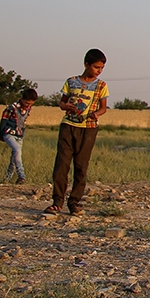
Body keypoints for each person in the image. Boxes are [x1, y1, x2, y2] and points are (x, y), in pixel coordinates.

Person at [46, 49, 108, 216]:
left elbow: (103, 108)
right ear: (86, 65)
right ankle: (57, 202)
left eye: (101, 68)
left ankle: (74, 202)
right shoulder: (71, 82)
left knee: (81, 166)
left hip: (88, 129)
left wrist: (96, 114)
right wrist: (65, 106)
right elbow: (62, 102)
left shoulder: (101, 86)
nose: (99, 71)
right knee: (62, 165)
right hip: (68, 127)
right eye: (96, 67)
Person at [0, 88, 39, 183]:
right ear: (22, 99)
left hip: (19, 135)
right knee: (17, 150)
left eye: (31, 104)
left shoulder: (28, 109)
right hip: (9, 133)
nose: (28, 106)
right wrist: (1, 135)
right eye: (27, 103)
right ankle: (21, 175)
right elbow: (3, 121)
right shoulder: (11, 108)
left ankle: (6, 179)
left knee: (14, 158)